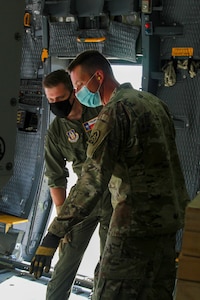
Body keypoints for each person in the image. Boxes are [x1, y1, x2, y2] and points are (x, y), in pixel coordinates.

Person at [30, 51, 190, 300]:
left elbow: (92, 182)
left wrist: (54, 234)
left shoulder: (114, 112)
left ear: (98, 77)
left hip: (132, 225)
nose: (79, 93)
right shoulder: (154, 103)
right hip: (168, 222)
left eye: (79, 86)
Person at [34, 69, 112, 300]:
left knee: (109, 265)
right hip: (82, 201)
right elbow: (56, 176)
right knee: (65, 263)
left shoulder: (101, 110)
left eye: (59, 99)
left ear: (73, 93)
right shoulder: (56, 132)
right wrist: (61, 217)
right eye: (50, 101)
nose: (55, 104)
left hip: (115, 197)